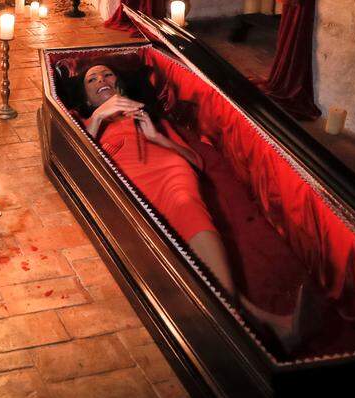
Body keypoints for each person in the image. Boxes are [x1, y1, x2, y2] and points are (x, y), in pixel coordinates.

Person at [79, 64, 306, 349]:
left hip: (169, 169)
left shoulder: (145, 117)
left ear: (120, 86)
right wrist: (99, 117)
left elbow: (195, 161)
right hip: (125, 172)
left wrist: (156, 137)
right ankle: (263, 324)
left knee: (187, 205)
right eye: (92, 78)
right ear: (88, 98)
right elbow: (78, 158)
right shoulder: (84, 121)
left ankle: (239, 329)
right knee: (173, 242)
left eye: (109, 74)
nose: (102, 79)